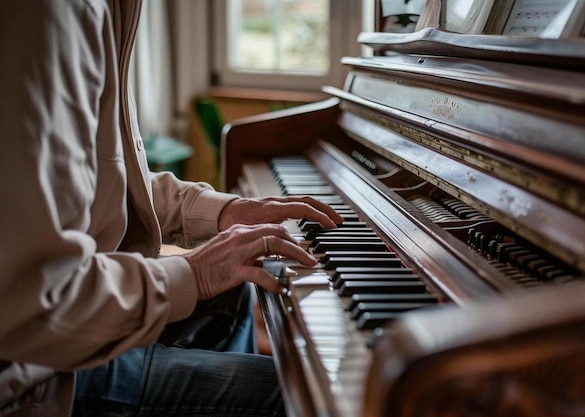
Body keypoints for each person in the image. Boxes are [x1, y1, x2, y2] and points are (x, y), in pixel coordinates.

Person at [0, 1, 344, 416]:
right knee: (303, 395)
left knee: (238, 284)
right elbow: (35, 299)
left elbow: (105, 178)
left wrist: (225, 212)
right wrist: (196, 272)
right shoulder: (50, 13)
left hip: (52, 331)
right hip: (32, 374)